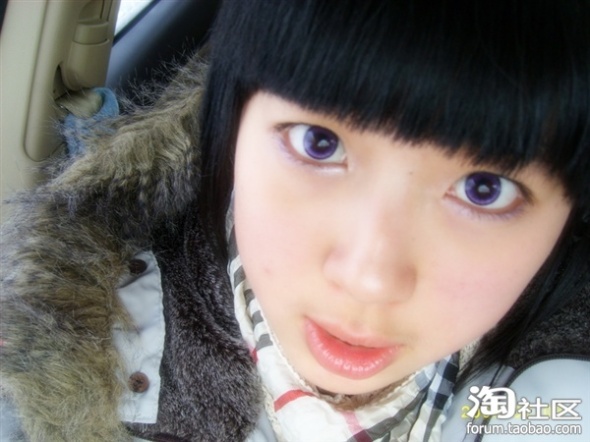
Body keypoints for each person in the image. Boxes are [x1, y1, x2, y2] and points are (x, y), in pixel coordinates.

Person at [1, 1, 589, 441]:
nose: (368, 279)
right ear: (229, 128)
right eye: (318, 143)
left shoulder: (555, 400)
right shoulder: (63, 362)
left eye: (484, 190)